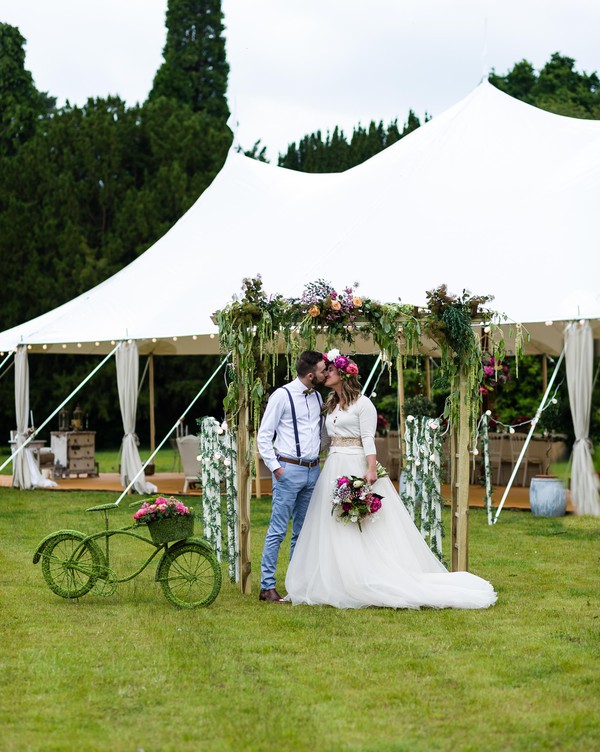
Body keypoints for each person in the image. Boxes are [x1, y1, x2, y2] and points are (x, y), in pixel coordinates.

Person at [285, 350, 497, 610]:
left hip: (356, 464)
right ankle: (337, 576)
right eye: (325, 370)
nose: (325, 373)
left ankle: (367, 577)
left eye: (330, 370)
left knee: (361, 523)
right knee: (332, 523)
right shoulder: (329, 405)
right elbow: (324, 440)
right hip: (332, 466)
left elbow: (367, 438)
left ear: (343, 374)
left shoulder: (363, 405)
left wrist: (371, 468)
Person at [256, 350, 328, 603]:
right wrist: (276, 469)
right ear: (310, 375)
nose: (326, 373)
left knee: (302, 531)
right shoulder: (282, 395)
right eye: (322, 370)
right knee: (277, 530)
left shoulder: (318, 396)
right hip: (288, 469)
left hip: (313, 470)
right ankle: (267, 586)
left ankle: (296, 585)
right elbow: (264, 435)